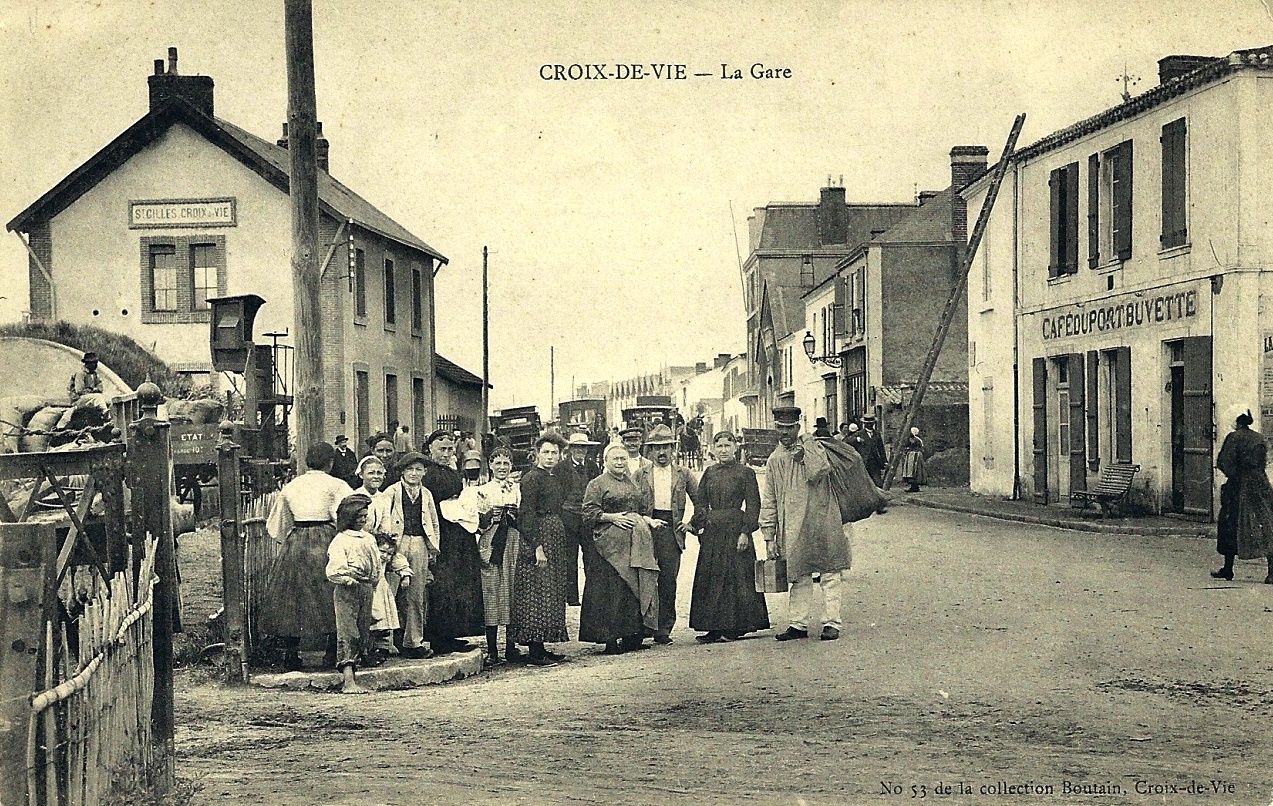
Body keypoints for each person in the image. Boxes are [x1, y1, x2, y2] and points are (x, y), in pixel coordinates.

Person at [761, 406, 854, 642]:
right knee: (799, 574)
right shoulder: (775, 459)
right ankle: (797, 624)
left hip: (822, 518)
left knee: (830, 571)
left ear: (798, 427)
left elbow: (820, 470)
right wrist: (769, 535)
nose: (785, 433)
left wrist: (804, 456)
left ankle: (832, 622)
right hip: (792, 525)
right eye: (780, 428)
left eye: (789, 428)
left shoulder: (813, 446)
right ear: (775, 428)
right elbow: (769, 498)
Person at [260, 442, 354, 670]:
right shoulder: (336, 485)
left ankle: (291, 654)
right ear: (330, 463)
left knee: (293, 596)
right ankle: (332, 653)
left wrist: (291, 539)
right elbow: (348, 513)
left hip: (298, 540)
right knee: (329, 593)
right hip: (326, 539)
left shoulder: (292, 486)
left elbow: (277, 526)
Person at [580, 443, 662, 654]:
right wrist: (612, 518)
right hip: (608, 547)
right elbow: (589, 513)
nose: (619, 463)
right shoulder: (597, 484)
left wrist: (648, 521)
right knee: (611, 591)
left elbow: (640, 509)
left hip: (634, 545)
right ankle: (609, 639)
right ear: (606, 462)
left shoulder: (633, 482)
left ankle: (631, 637)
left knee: (631, 587)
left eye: (623, 459)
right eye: (615, 459)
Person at [689, 431, 769, 643]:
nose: (723, 450)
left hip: (735, 529)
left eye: (727, 445)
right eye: (719, 446)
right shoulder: (709, 472)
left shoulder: (745, 473)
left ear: (735, 448)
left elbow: (753, 504)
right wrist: (699, 523)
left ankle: (736, 625)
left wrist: (745, 531)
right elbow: (700, 501)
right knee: (712, 577)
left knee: (736, 577)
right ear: (713, 449)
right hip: (713, 531)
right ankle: (713, 627)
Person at [420, 430, 486, 654]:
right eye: (442, 449)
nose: (446, 454)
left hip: (458, 533)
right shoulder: (427, 474)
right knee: (443, 586)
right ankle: (439, 638)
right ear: (430, 449)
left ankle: (452, 634)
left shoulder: (451, 471)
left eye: (450, 449)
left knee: (458, 584)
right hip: (442, 534)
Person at [633, 424, 699, 644]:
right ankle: (643, 626)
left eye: (666, 448)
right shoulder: (640, 474)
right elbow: (628, 501)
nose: (662, 453)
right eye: (656, 448)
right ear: (649, 451)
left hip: (672, 532)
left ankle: (664, 629)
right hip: (647, 529)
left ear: (673, 449)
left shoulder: (684, 474)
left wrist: (690, 524)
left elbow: (701, 501)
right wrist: (642, 522)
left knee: (668, 580)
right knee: (644, 577)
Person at [372, 451, 441, 659]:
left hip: (419, 542)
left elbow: (433, 522)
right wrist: (387, 547)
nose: (414, 473)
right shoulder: (391, 492)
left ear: (424, 472)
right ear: (402, 471)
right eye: (409, 469)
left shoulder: (426, 494)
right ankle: (385, 643)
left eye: (418, 469)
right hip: (396, 544)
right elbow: (383, 521)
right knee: (390, 591)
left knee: (416, 595)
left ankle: (413, 641)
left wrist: (432, 549)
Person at [510, 434, 572, 666]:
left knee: (551, 590)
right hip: (537, 536)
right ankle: (534, 651)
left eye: (554, 453)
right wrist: (537, 547)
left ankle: (543, 645)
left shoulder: (553, 477)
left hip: (554, 535)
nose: (550, 457)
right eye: (545, 452)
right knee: (537, 591)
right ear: (537, 454)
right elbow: (526, 515)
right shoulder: (531, 479)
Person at [461, 447, 522, 666]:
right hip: (491, 541)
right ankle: (493, 649)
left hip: (512, 540)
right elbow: (473, 522)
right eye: (498, 464)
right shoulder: (481, 491)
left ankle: (511, 646)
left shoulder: (517, 488)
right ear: (490, 466)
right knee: (492, 592)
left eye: (506, 464)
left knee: (511, 588)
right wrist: (487, 517)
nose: (502, 468)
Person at [325, 494, 380, 693]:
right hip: (348, 589)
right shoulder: (341, 540)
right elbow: (334, 570)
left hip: (365, 588)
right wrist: (348, 578)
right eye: (359, 517)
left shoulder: (369, 538)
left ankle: (357, 674)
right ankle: (348, 681)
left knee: (363, 629)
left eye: (365, 516)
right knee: (348, 631)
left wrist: (373, 580)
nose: (363, 520)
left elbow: (376, 563)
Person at [1212, 405, 1273, 584]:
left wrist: (1235, 476)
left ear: (1237, 422)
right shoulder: (1259, 438)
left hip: (1239, 486)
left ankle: (1228, 568)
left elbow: (1224, 462)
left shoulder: (1233, 437)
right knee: (1266, 523)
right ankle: (1271, 572)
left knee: (1229, 524)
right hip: (1261, 485)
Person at [560, 432, 602, 606]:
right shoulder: (560, 468)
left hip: (587, 519)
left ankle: (591, 596)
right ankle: (572, 597)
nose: (580, 451)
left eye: (583, 447)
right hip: (568, 518)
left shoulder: (593, 468)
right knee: (570, 558)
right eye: (577, 447)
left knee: (591, 557)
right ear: (571, 449)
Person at [369, 531, 412, 660]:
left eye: (389, 554)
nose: (385, 556)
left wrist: (405, 575)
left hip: (381, 591)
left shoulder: (388, 559)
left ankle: (381, 647)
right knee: (370, 619)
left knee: (382, 621)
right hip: (369, 589)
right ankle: (367, 650)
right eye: (382, 551)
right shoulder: (368, 556)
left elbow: (398, 561)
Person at [858, 415, 888, 486]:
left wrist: (885, 461)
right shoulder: (859, 434)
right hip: (864, 462)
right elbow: (848, 441)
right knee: (865, 483)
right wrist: (857, 439)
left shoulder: (877, 434)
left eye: (871, 423)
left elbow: (881, 449)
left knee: (878, 482)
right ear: (864, 424)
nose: (869, 425)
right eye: (867, 423)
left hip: (875, 462)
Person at [900, 427, 927, 493]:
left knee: (914, 471)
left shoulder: (916, 440)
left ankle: (915, 486)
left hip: (915, 456)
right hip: (911, 455)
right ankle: (913, 486)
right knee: (911, 471)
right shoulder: (912, 439)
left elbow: (918, 447)